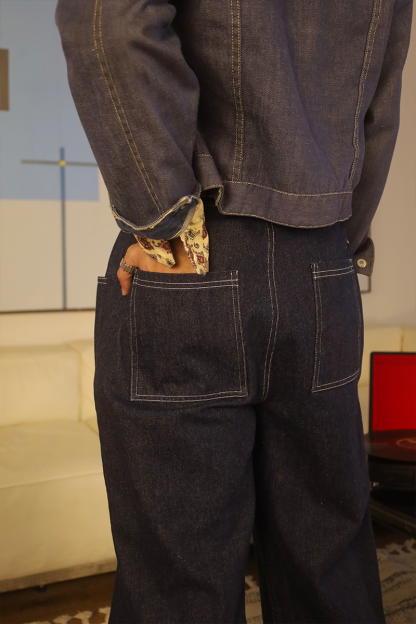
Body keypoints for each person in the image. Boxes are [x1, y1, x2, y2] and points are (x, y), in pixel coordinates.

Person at [56, 0, 412, 621]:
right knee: (330, 570)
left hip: (197, 257)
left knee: (179, 586)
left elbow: (107, 20)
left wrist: (164, 221)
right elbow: (382, 92)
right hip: (323, 264)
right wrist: (333, 245)